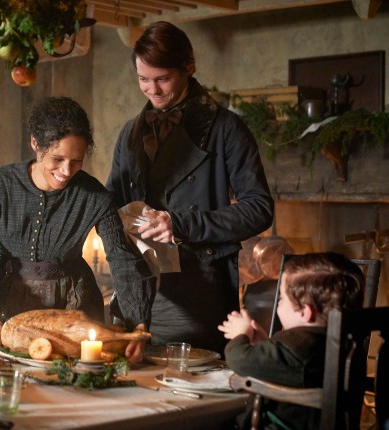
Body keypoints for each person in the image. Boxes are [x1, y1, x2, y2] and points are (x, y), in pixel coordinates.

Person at [0, 97, 156, 362]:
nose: (66, 171)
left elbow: (123, 258)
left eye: (77, 161)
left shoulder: (95, 196)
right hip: (0, 301)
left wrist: (137, 319)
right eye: (58, 158)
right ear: (35, 143)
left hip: (71, 309)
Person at [106, 21, 274, 353]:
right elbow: (112, 200)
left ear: (189, 67)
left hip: (197, 284)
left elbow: (259, 209)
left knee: (185, 378)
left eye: (162, 79)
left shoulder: (227, 129)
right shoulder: (130, 132)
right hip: (136, 286)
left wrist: (181, 224)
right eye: (143, 79)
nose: (152, 90)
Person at [218, 252, 364, 429]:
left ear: (305, 312)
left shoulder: (299, 346)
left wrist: (241, 333)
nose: (278, 303)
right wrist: (265, 344)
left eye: (281, 298)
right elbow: (288, 367)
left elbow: (239, 359)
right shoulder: (341, 342)